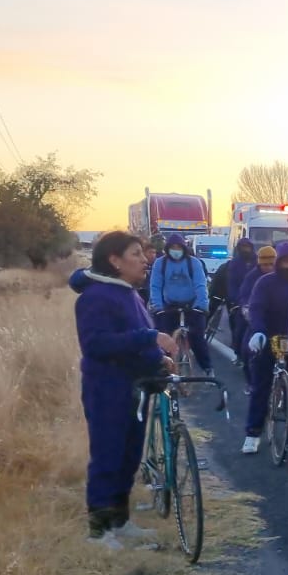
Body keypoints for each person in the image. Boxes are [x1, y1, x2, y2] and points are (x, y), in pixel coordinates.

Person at [70, 230, 178, 548]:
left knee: (129, 457)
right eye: (136, 254)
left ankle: (120, 520)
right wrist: (150, 337)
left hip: (134, 388)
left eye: (143, 254)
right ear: (115, 261)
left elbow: (135, 338)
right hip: (107, 390)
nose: (145, 260)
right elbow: (96, 344)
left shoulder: (129, 294)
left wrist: (158, 358)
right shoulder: (95, 297)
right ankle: (99, 531)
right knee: (108, 457)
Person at [242, 242, 288, 454]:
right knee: (260, 386)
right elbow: (257, 308)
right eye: (287, 262)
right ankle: (253, 432)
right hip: (269, 337)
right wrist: (258, 331)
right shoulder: (265, 282)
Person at [147, 233, 214, 375]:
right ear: (167, 249)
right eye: (173, 247)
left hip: (192, 305)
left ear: (184, 248)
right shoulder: (160, 263)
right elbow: (155, 286)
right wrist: (158, 307)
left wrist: (201, 305)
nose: (176, 250)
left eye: (179, 247)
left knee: (197, 339)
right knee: (164, 338)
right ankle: (164, 370)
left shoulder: (194, 263)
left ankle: (208, 369)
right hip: (168, 306)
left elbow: (200, 285)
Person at [219, 238, 256, 361]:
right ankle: (238, 352)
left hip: (256, 299)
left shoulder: (257, 262)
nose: (246, 250)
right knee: (238, 328)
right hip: (239, 301)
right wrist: (236, 300)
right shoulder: (235, 263)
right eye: (243, 247)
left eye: (247, 247)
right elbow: (232, 283)